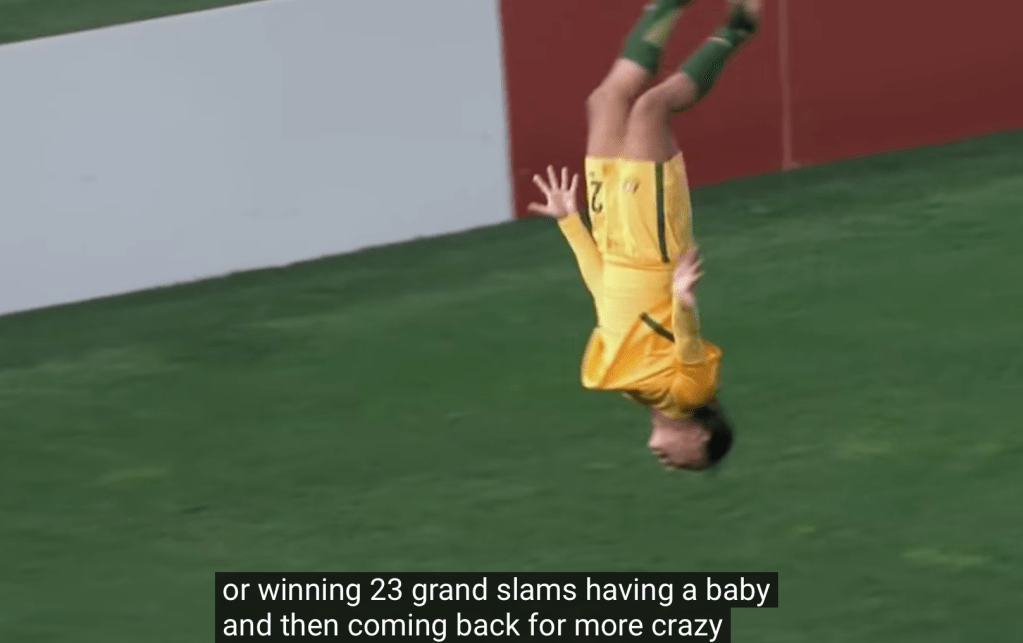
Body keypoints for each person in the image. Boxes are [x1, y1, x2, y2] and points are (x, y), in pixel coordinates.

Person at [527, 0, 760, 471]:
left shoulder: (635, 389)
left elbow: (605, 294)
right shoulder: (689, 393)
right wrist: (682, 300)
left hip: (612, 235)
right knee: (651, 110)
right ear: (700, 436)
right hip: (650, 243)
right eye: (685, 463)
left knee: (605, 101)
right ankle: (736, 30)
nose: (668, 464)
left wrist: (570, 223)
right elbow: (688, 345)